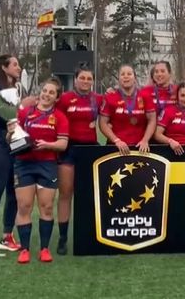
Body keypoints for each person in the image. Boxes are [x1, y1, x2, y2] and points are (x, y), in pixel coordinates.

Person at [0, 54, 35, 256]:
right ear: (4, 68)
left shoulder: (18, 87)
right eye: (15, 65)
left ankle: (7, 234)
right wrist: (22, 106)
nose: (18, 68)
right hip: (0, 143)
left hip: (16, 142)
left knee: (14, 191)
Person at [11, 77, 69, 263]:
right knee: (24, 206)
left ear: (56, 97)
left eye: (52, 92)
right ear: (40, 92)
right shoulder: (25, 113)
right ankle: (25, 249)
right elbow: (11, 138)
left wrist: (48, 145)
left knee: (47, 206)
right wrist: (11, 132)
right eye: (45, 90)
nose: (47, 94)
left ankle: (44, 248)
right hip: (24, 164)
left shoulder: (59, 117)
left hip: (47, 165)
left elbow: (63, 144)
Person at [54, 64, 102, 255]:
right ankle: (63, 238)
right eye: (82, 78)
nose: (86, 81)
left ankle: (90, 234)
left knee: (92, 195)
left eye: (89, 79)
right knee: (66, 193)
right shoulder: (64, 99)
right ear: (75, 79)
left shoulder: (98, 99)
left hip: (91, 149)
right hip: (69, 149)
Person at [99, 65, 156, 156]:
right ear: (118, 79)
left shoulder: (145, 96)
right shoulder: (110, 97)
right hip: (116, 148)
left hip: (140, 147)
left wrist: (145, 140)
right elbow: (102, 123)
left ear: (135, 78)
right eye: (122, 74)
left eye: (129, 74)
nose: (126, 76)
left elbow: (152, 120)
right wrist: (116, 141)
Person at [155, 82, 185, 155]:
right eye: (182, 95)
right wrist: (170, 141)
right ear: (177, 96)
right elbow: (157, 134)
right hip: (172, 153)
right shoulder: (168, 111)